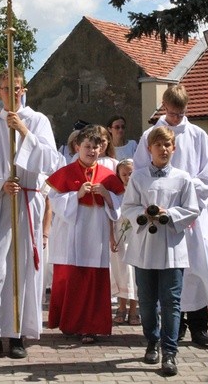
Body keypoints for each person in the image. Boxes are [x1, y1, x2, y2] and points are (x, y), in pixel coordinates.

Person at [0, 69, 64, 361]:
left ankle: (16, 334)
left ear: (24, 89)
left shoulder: (38, 121)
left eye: (16, 88)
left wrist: (24, 132)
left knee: (22, 270)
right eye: (5, 88)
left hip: (28, 201)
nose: (11, 93)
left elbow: (52, 161)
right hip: (1, 203)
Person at [133, 84, 208, 348]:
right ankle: (176, 326)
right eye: (172, 113)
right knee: (168, 267)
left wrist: (185, 192)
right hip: (160, 214)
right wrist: (160, 202)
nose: (176, 119)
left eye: (181, 113)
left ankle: (199, 326)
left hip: (193, 211)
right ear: (164, 107)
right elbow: (141, 173)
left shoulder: (197, 135)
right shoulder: (150, 135)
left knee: (195, 264)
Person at [123, 126, 200, 377]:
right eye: (158, 145)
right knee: (146, 302)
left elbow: (192, 209)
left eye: (168, 145)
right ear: (150, 149)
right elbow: (128, 207)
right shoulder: (139, 177)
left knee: (171, 302)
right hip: (144, 248)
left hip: (171, 249)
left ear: (174, 148)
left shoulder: (183, 178)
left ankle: (169, 352)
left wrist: (170, 214)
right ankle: (152, 341)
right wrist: (143, 214)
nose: (163, 149)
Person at [45, 124, 125, 344]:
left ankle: (90, 327)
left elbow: (120, 205)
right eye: (87, 146)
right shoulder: (66, 173)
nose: (91, 151)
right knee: (72, 279)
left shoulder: (109, 176)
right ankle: (70, 324)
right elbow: (54, 200)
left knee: (93, 281)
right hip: (71, 235)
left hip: (95, 235)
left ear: (101, 150)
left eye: (95, 147)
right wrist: (76, 195)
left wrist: (108, 195)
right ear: (77, 147)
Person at [109, 158, 139, 325]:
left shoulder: (141, 192)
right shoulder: (117, 194)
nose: (128, 177)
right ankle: (121, 307)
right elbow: (110, 217)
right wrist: (111, 238)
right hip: (120, 238)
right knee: (121, 272)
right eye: (124, 174)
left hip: (135, 238)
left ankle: (134, 309)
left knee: (133, 274)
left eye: (131, 173)